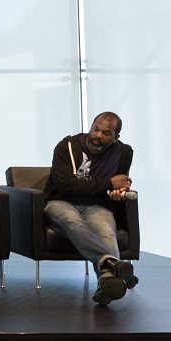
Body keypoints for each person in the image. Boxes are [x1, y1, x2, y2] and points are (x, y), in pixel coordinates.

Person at [44, 111, 136, 306]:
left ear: (115, 138)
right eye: (95, 129)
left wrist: (118, 191)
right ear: (91, 126)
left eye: (106, 133)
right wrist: (107, 183)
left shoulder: (124, 153)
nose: (97, 136)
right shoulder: (67, 146)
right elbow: (65, 185)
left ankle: (106, 284)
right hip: (60, 201)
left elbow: (117, 184)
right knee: (72, 221)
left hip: (96, 204)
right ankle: (112, 263)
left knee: (105, 231)